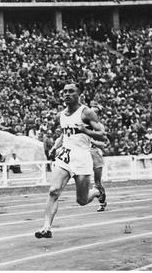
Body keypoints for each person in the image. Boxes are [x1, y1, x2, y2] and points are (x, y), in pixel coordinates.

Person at [35, 83, 107, 239]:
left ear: (78, 94)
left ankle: (96, 191)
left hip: (82, 157)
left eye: (71, 91)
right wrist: (55, 147)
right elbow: (65, 134)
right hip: (65, 156)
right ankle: (46, 227)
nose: (66, 94)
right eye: (64, 92)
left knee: (81, 200)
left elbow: (102, 134)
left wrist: (85, 130)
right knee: (54, 191)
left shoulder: (87, 113)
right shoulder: (60, 115)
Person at [90, 104, 108, 212]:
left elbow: (102, 144)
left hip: (95, 154)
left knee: (97, 182)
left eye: (95, 112)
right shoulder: (84, 125)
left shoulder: (100, 127)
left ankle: (102, 201)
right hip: (84, 154)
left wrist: (90, 140)